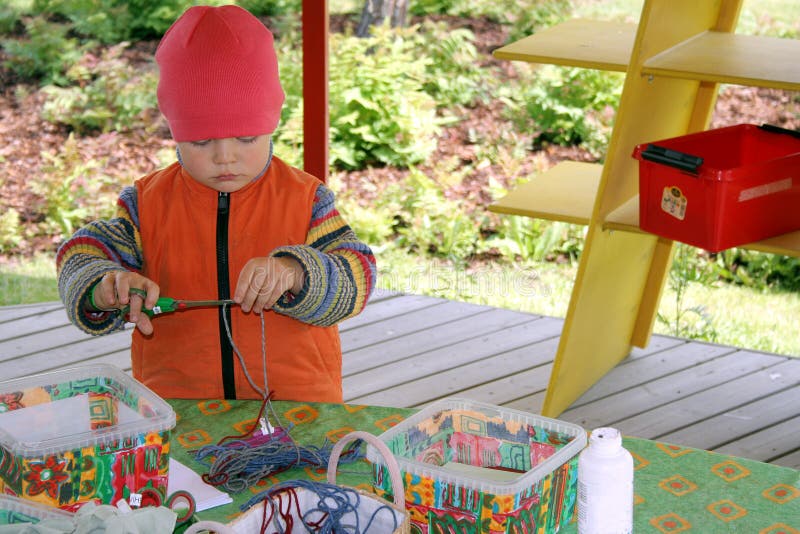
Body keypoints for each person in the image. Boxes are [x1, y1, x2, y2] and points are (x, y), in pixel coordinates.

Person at [56, 5, 376, 403]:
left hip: (298, 412)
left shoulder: (306, 198)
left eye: (245, 139)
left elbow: (358, 275)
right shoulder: (145, 204)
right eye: (201, 141)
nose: (225, 157)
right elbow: (81, 255)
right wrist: (102, 285)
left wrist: (296, 272)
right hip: (177, 412)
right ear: (176, 134)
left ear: (270, 125)